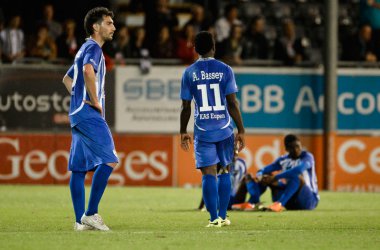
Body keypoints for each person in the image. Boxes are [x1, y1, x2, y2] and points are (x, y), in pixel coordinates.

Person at [180, 31, 245, 227]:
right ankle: (224, 216)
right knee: (224, 170)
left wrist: (183, 131)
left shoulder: (189, 72)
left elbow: (186, 106)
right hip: (224, 129)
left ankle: (213, 218)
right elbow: (232, 103)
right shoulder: (225, 69)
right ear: (213, 47)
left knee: (208, 173)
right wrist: (241, 129)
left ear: (195, 49)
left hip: (203, 130)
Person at [62, 7, 118, 231]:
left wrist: (78, 99)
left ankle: (79, 222)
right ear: (96, 27)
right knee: (110, 159)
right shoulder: (94, 48)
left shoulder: (83, 48)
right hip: (88, 113)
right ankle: (91, 213)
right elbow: (87, 71)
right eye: (108, 23)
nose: (113, 26)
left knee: (78, 168)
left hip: (76, 114)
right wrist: (95, 101)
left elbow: (67, 79)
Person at [233, 134, 319, 212]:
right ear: (286, 149)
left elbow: (298, 170)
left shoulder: (307, 157)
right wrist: (260, 176)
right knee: (267, 177)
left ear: (301, 145)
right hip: (291, 201)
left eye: (297, 146)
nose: (296, 150)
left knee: (296, 177)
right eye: (292, 148)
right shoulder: (283, 160)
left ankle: (279, 203)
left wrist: (276, 177)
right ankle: (253, 202)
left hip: (309, 200)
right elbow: (263, 170)